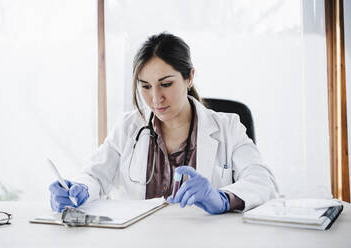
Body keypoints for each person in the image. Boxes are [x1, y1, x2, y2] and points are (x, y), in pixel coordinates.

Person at [49, 32, 278, 214]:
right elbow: (95, 175)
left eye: (166, 84)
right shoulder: (129, 128)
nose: (156, 98)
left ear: (189, 77)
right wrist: (80, 189)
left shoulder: (228, 127)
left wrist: (222, 199)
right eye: (146, 86)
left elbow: (262, 181)